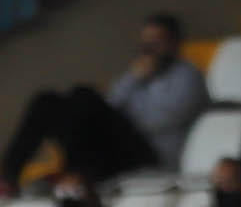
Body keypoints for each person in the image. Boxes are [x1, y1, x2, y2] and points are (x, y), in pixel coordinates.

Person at [6, 14, 207, 186]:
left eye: (157, 41)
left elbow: (161, 121)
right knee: (48, 101)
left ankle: (75, 172)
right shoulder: (139, 72)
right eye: (146, 40)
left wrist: (118, 117)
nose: (149, 47)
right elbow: (113, 101)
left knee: (84, 95)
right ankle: (8, 175)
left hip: (149, 154)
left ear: (174, 43)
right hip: (116, 149)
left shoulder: (188, 76)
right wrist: (134, 79)